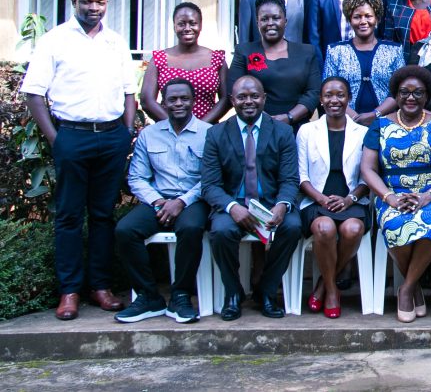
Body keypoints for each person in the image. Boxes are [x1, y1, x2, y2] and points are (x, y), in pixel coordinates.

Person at [21, 0, 136, 320]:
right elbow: (33, 93)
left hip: (111, 137)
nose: (93, 8)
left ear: (106, 5)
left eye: (99, 3)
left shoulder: (115, 42)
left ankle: (100, 287)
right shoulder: (54, 40)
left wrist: (126, 133)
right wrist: (57, 139)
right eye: (86, 2)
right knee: (69, 216)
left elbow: (130, 91)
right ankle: (69, 291)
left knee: (103, 215)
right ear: (74, 1)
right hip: (72, 136)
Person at [359, 66, 431, 322]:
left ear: (427, 96)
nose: (411, 98)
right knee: (394, 223)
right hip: (390, 193)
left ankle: (406, 288)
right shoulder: (379, 125)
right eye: (404, 92)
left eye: (418, 93)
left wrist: (428, 196)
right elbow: (367, 169)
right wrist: (389, 198)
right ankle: (416, 286)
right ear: (396, 95)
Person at [201, 76, 301, 320]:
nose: (249, 101)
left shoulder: (282, 131)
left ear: (264, 98)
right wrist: (232, 206)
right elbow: (210, 185)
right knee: (221, 231)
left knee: (293, 226)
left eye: (254, 96)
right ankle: (233, 292)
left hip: (270, 204)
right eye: (242, 97)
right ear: (232, 100)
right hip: (232, 205)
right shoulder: (216, 134)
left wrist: (281, 205)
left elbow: (290, 179)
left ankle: (266, 291)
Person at [115, 79, 211, 323]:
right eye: (172, 99)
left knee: (191, 228)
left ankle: (180, 295)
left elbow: (211, 178)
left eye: (184, 99)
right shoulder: (149, 134)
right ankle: (149, 297)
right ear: (163, 103)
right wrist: (158, 201)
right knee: (125, 230)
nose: (178, 103)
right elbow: (136, 177)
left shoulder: (209, 133)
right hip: (157, 201)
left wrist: (181, 201)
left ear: (193, 102)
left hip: (193, 201)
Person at [297, 77, 370, 319]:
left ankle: (323, 285)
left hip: (352, 200)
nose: (334, 100)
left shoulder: (362, 133)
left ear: (348, 99)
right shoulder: (307, 131)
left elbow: (366, 177)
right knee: (325, 228)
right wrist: (320, 199)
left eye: (340, 95)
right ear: (320, 99)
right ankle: (331, 292)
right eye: (328, 95)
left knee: (352, 229)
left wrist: (350, 199)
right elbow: (302, 176)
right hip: (317, 200)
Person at [229, 0, 321, 131]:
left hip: (297, 128)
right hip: (255, 128)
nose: (270, 23)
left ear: (285, 20)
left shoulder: (306, 52)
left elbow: (313, 92)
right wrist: (263, 120)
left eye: (276, 18)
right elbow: (234, 90)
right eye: (264, 19)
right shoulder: (244, 51)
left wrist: (289, 117)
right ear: (257, 22)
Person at [322, 0, 405, 126]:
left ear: (377, 19)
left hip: (387, 123)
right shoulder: (335, 51)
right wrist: (354, 118)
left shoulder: (394, 50)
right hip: (346, 124)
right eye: (357, 17)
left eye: (368, 16)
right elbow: (329, 91)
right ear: (349, 20)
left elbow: (400, 90)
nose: (363, 21)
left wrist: (375, 114)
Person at [140, 2, 230, 123]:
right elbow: (147, 100)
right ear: (174, 26)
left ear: (201, 26)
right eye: (181, 24)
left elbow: (226, 99)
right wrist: (175, 126)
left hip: (207, 132)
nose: (187, 28)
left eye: (193, 23)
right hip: (169, 133)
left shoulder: (216, 59)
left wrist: (200, 127)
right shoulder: (159, 59)